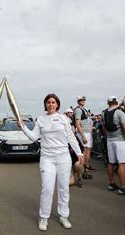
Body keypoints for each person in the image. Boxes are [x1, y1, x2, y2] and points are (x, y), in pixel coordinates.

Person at [19, 94, 84, 231]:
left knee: (63, 188)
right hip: (47, 158)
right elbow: (34, 137)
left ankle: (63, 215)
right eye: (48, 102)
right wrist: (24, 127)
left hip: (63, 157)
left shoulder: (64, 118)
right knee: (47, 189)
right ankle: (44, 217)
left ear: (57, 104)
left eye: (53, 102)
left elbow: (70, 137)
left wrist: (79, 153)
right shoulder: (41, 120)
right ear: (45, 105)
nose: (51, 104)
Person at [102, 96, 125, 196]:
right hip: (119, 141)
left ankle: (111, 183)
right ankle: (123, 187)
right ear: (116, 102)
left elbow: (104, 127)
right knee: (122, 163)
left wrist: (107, 136)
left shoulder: (103, 113)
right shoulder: (119, 112)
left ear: (108, 103)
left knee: (111, 162)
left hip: (109, 140)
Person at [74, 96, 95, 175]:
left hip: (87, 132)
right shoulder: (78, 110)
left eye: (84, 99)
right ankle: (82, 170)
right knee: (84, 151)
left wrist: (90, 130)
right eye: (81, 100)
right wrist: (83, 135)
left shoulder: (84, 109)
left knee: (88, 150)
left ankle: (86, 167)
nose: (83, 101)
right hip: (83, 132)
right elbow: (77, 123)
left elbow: (89, 120)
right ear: (78, 101)